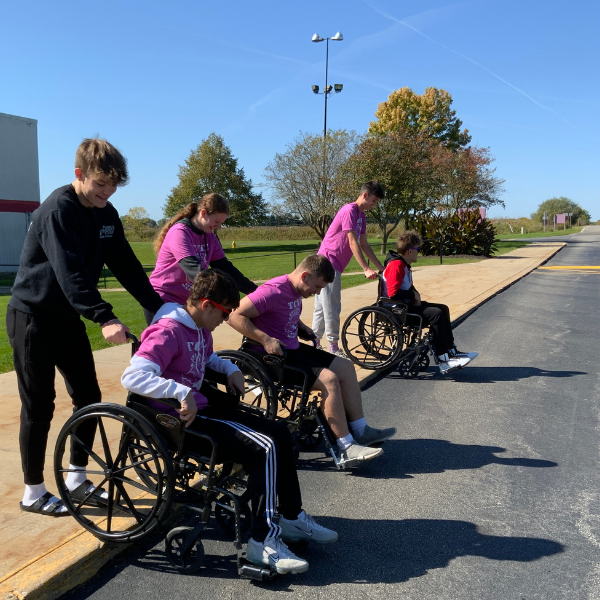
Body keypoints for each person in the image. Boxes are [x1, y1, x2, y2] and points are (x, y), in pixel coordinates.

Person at [121, 269, 337, 575]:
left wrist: (228, 368)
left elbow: (206, 359)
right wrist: (180, 392)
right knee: (265, 447)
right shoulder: (168, 331)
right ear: (206, 304)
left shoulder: (198, 328)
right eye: (223, 314)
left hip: (203, 407)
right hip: (179, 421)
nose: (225, 321)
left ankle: (291, 518)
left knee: (278, 432)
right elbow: (133, 376)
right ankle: (262, 542)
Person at [7, 138, 164, 517]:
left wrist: (158, 307)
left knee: (89, 398)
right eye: (100, 186)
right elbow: (70, 273)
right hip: (33, 319)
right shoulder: (58, 211)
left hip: (66, 320)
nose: (106, 194)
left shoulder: (106, 213)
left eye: (113, 188)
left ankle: (76, 477)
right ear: (79, 175)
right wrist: (104, 316)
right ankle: (33, 492)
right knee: (39, 407)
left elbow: (125, 263)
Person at [228, 254, 396, 467]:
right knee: (329, 379)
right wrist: (265, 339)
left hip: (291, 349)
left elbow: (281, 310)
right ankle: (346, 446)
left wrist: (301, 327)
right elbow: (234, 316)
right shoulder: (272, 291)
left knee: (345, 366)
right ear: (305, 276)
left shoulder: (292, 289)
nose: (317, 292)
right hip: (268, 357)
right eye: (316, 287)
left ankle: (361, 430)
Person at [146, 194, 257, 324]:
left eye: (221, 223)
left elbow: (225, 268)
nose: (218, 227)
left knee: (193, 342)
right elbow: (194, 270)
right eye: (216, 222)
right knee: (167, 341)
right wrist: (226, 297)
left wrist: (256, 292)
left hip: (186, 300)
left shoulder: (209, 236)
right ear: (203, 213)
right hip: (162, 297)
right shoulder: (180, 232)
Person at [382, 230, 478, 374]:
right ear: (409, 251)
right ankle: (444, 359)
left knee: (443, 309)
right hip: (396, 310)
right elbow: (393, 293)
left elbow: (406, 287)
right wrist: (413, 294)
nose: (419, 253)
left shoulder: (404, 265)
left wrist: (415, 294)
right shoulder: (396, 265)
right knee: (436, 314)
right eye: (417, 249)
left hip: (404, 306)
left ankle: (451, 351)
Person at [312, 181, 386, 356]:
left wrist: (381, 267)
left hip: (332, 264)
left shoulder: (361, 216)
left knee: (322, 308)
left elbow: (364, 245)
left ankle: (314, 345)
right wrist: (365, 268)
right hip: (327, 263)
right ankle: (333, 349)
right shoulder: (349, 211)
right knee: (331, 306)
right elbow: (353, 242)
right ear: (365, 195)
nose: (374, 205)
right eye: (373, 201)